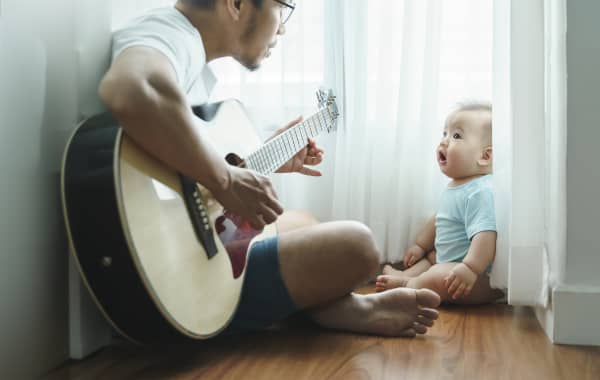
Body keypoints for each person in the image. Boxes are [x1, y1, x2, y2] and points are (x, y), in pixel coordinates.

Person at [98, 0, 440, 338]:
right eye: (282, 8)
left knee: (304, 222)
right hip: (164, 273)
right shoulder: (172, 34)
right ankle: (336, 309)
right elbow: (130, 89)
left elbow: (183, 171)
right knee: (358, 246)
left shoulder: (190, 56)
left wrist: (254, 161)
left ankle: (328, 309)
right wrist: (226, 178)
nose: (283, 27)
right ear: (236, 3)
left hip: (174, 246)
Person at [375, 102, 505, 304]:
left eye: (456, 136)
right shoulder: (456, 186)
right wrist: (420, 245)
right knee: (430, 259)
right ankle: (408, 276)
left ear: (485, 156)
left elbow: (486, 235)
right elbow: (439, 219)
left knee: (437, 274)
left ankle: (406, 286)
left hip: (474, 279)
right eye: (445, 133)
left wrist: (470, 268)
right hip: (448, 262)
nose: (444, 142)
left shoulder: (481, 191)